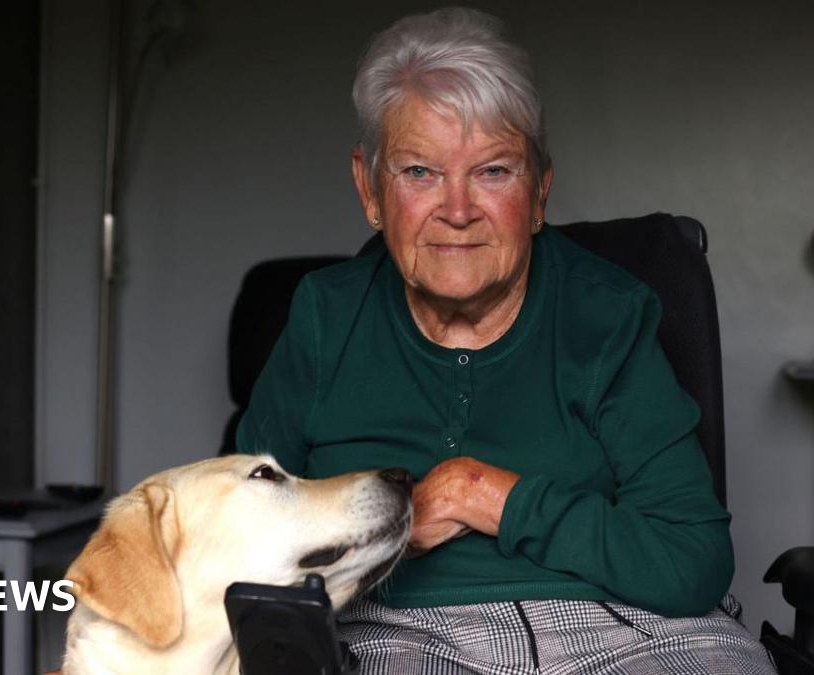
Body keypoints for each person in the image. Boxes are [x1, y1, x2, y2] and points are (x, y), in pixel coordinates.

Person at [237, 7, 776, 674]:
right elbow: (237, 548)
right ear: (369, 188)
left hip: (626, 627)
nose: (458, 210)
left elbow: (692, 559)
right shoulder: (326, 316)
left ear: (540, 189)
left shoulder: (606, 315)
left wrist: (491, 494)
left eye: (493, 170)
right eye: (420, 172)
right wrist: (394, 526)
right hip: (392, 629)